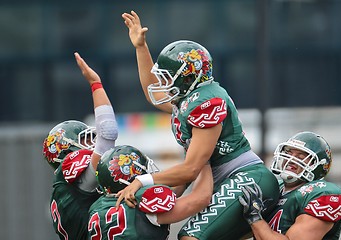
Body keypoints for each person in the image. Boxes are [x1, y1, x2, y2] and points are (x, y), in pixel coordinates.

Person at [118, 10, 280, 240]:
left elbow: (191, 168)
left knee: (191, 237)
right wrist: (141, 48)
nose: (163, 83)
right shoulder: (189, 100)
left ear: (187, 76)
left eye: (168, 76)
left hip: (246, 179)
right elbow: (152, 94)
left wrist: (142, 180)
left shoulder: (206, 102)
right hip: (223, 180)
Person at [42, 52, 118, 240]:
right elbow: (107, 135)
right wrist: (96, 84)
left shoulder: (69, 187)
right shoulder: (76, 179)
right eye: (85, 139)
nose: (93, 143)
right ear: (67, 151)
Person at [88, 144, 213, 240]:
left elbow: (173, 193)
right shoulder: (138, 201)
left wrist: (190, 168)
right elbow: (201, 198)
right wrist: (204, 160)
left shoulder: (97, 207)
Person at [239, 131, 341, 240]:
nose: (290, 160)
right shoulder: (274, 187)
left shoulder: (322, 193)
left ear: (318, 165)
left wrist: (255, 218)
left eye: (300, 157)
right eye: (288, 153)